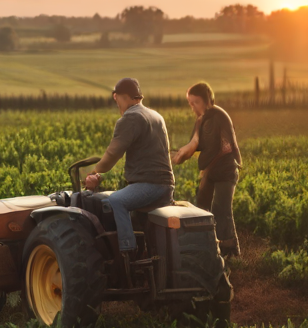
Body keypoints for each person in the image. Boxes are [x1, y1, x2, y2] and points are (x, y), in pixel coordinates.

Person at [85, 78, 175, 262]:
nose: (117, 104)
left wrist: (93, 174)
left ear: (118, 96)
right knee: (137, 216)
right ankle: (148, 254)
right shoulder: (156, 116)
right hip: (166, 186)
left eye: (116, 100)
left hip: (150, 185)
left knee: (116, 201)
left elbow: (112, 154)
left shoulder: (131, 117)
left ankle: (127, 253)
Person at [172, 81, 241, 257]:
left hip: (225, 170)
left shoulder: (217, 116)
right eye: (190, 103)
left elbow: (221, 147)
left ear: (207, 100)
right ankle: (211, 246)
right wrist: (179, 154)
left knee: (221, 209)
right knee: (202, 207)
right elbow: (194, 142)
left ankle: (228, 249)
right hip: (211, 171)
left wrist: (187, 157)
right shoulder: (201, 120)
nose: (192, 107)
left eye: (195, 102)